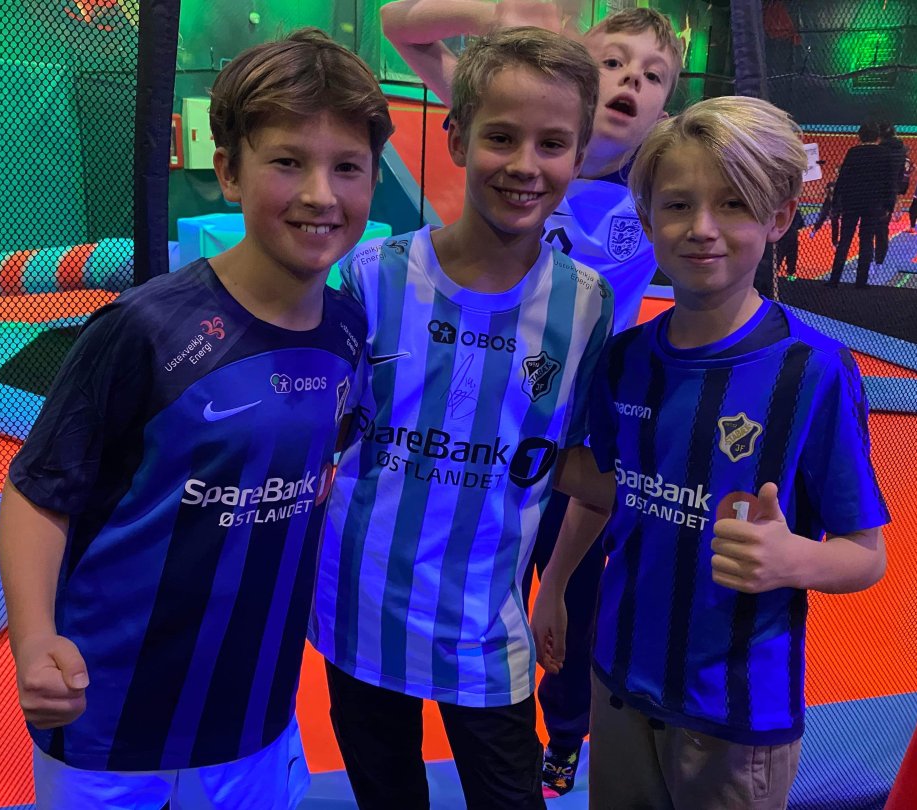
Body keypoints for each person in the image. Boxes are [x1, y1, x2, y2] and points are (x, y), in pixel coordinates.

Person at [0, 29, 393, 809]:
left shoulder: (349, 329)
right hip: (107, 718)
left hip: (254, 718)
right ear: (229, 171)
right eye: (288, 162)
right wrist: (35, 638)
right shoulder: (144, 330)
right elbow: (38, 492)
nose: (321, 193)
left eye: (347, 167)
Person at [533, 95, 890, 810]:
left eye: (732, 204)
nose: (701, 228)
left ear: (778, 218)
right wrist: (555, 585)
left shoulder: (812, 372)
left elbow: (866, 554)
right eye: (677, 205)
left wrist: (793, 560)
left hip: (735, 721)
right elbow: (609, 488)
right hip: (618, 685)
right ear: (647, 221)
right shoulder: (625, 359)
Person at [381, 3, 684, 794]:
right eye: (612, 62)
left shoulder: (658, 168)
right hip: (481, 393)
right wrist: (490, 16)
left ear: (663, 106)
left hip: (574, 409)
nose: (630, 81)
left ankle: (568, 727)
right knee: (483, 562)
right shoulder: (520, 118)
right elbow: (398, 27)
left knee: (570, 587)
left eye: (652, 76)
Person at [309, 28, 613, 810]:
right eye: (501, 137)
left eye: (552, 143)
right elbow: (324, 428)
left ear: (579, 157)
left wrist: (560, 580)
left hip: (484, 626)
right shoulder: (373, 275)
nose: (525, 164)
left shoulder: (585, 306)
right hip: (360, 611)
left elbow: (581, 463)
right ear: (456, 138)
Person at [826, 122, 895, 288]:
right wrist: (889, 206)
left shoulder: (854, 152)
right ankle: (861, 281)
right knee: (866, 240)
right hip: (873, 203)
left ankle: (834, 279)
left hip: (852, 202)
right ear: (878, 137)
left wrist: (835, 203)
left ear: (860, 136)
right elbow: (890, 182)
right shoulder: (885, 154)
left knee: (845, 240)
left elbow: (842, 179)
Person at [873, 121, 907, 264]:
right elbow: (900, 173)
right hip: (891, 192)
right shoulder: (901, 150)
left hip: (877, 193)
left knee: (869, 228)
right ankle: (879, 260)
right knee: (882, 228)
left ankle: (869, 260)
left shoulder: (880, 150)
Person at [774, 208, 805, 281]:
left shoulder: (780, 211)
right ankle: (790, 277)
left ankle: (776, 276)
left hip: (783, 237)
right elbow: (800, 225)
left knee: (780, 258)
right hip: (791, 237)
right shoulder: (795, 212)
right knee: (791, 259)